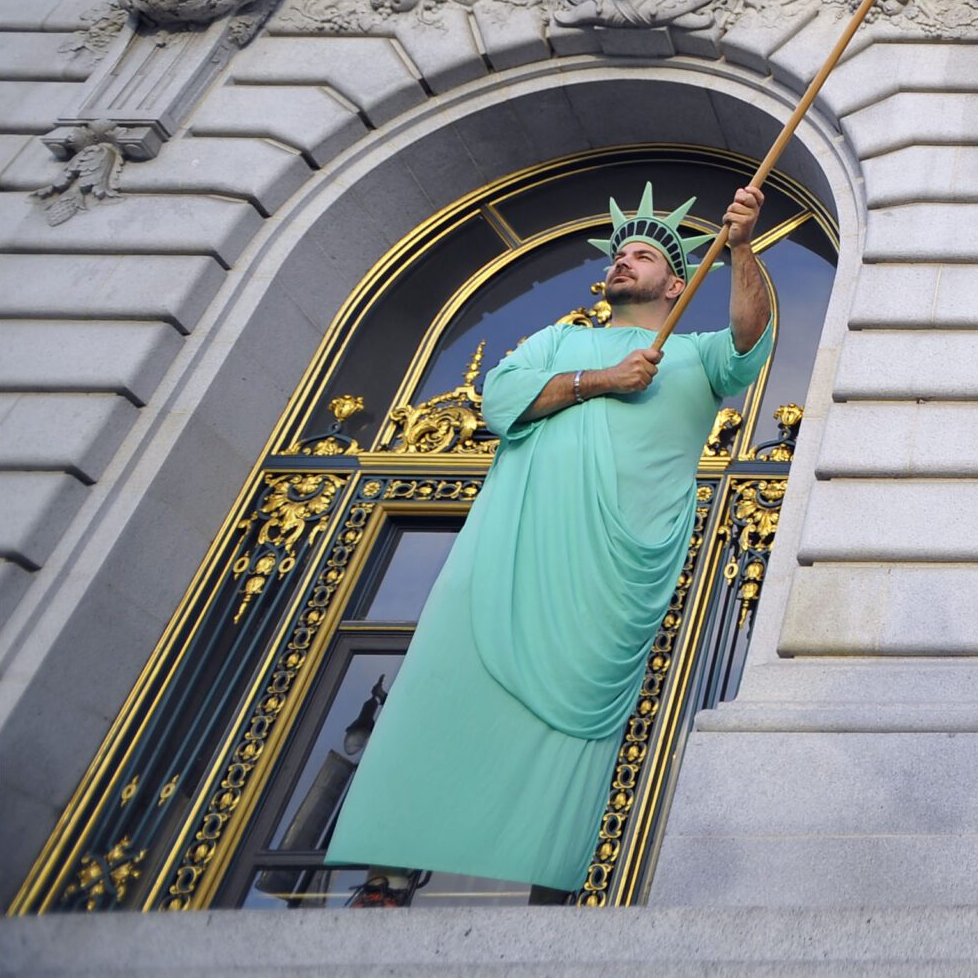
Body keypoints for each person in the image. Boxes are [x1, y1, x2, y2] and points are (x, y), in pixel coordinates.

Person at [327, 183, 775, 898]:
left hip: (608, 576)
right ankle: (387, 874)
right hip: (510, 557)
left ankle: (545, 886)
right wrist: (600, 379)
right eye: (621, 253)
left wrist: (746, 245)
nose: (624, 261)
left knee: (570, 742)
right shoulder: (560, 339)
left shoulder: (696, 354)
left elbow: (751, 336)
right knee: (452, 693)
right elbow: (501, 397)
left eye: (642, 255)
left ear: (678, 283)